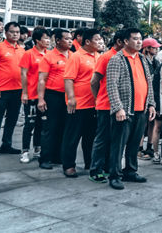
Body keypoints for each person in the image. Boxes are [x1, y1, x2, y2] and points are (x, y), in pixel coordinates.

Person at [105, 28, 156, 190]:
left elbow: (149, 83)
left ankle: (131, 171)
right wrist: (118, 108)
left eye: (140, 39)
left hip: (141, 109)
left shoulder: (142, 58)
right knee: (118, 145)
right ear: (126, 41)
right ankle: (114, 175)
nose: (139, 42)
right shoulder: (117, 59)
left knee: (134, 143)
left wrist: (151, 104)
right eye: (135, 39)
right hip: (125, 110)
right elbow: (111, 85)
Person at [60, 29, 102, 177]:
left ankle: (90, 163)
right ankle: (69, 165)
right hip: (79, 103)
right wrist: (71, 98)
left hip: (94, 103)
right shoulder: (76, 57)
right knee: (72, 136)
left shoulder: (99, 56)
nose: (100, 42)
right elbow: (68, 79)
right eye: (97, 39)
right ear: (88, 41)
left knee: (90, 137)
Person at [88, 30, 124, 182]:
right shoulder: (107, 57)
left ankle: (110, 167)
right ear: (119, 42)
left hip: (120, 106)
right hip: (105, 105)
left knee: (115, 139)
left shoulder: (124, 57)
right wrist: (98, 99)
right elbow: (94, 81)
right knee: (102, 139)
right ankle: (96, 170)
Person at [0, 21, 25, 158]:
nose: (15, 35)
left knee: (12, 120)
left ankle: (6, 145)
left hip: (17, 90)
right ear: (6, 33)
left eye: (17, 32)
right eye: (12, 32)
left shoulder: (22, 50)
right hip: (1, 90)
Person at [37, 29, 72, 169]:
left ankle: (57, 157)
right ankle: (45, 158)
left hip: (68, 96)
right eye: (66, 38)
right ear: (58, 40)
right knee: (50, 128)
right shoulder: (49, 57)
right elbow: (42, 79)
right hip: (53, 95)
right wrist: (41, 99)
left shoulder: (73, 56)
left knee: (64, 127)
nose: (70, 41)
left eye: (71, 38)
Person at [18, 28, 49, 163]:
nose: (48, 41)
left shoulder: (49, 54)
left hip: (45, 95)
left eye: (49, 38)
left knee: (41, 124)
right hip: (31, 94)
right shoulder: (29, 54)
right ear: (37, 40)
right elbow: (23, 74)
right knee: (29, 124)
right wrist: (25, 93)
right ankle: (25, 151)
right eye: (45, 38)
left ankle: (37, 148)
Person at [139, 37, 161, 162]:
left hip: (153, 95)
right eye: (154, 48)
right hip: (143, 95)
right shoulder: (141, 60)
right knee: (142, 123)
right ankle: (139, 148)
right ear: (147, 48)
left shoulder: (156, 62)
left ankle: (149, 147)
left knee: (152, 121)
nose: (157, 50)